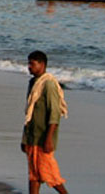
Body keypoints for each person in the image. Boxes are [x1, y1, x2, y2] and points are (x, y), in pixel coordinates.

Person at [22, 50, 69, 194]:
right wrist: (25, 138)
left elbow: (54, 114)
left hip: (43, 138)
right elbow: (29, 114)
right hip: (32, 136)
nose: (29, 67)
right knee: (34, 174)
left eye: (32, 64)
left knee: (49, 173)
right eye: (28, 63)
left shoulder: (48, 84)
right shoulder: (33, 83)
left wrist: (48, 139)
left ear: (42, 65)